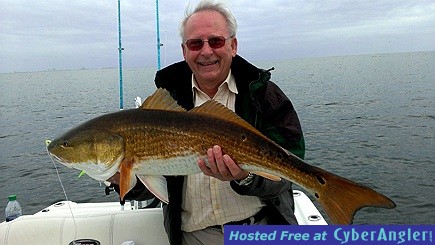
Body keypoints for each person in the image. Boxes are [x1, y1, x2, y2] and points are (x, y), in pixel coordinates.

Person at [110, 1, 305, 244]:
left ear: (233, 46)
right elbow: (153, 183)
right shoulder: (164, 105)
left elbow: (291, 170)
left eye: (216, 41)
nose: (206, 51)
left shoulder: (264, 96)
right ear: (184, 51)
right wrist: (114, 175)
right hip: (195, 237)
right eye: (195, 43)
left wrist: (245, 177)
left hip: (261, 230)